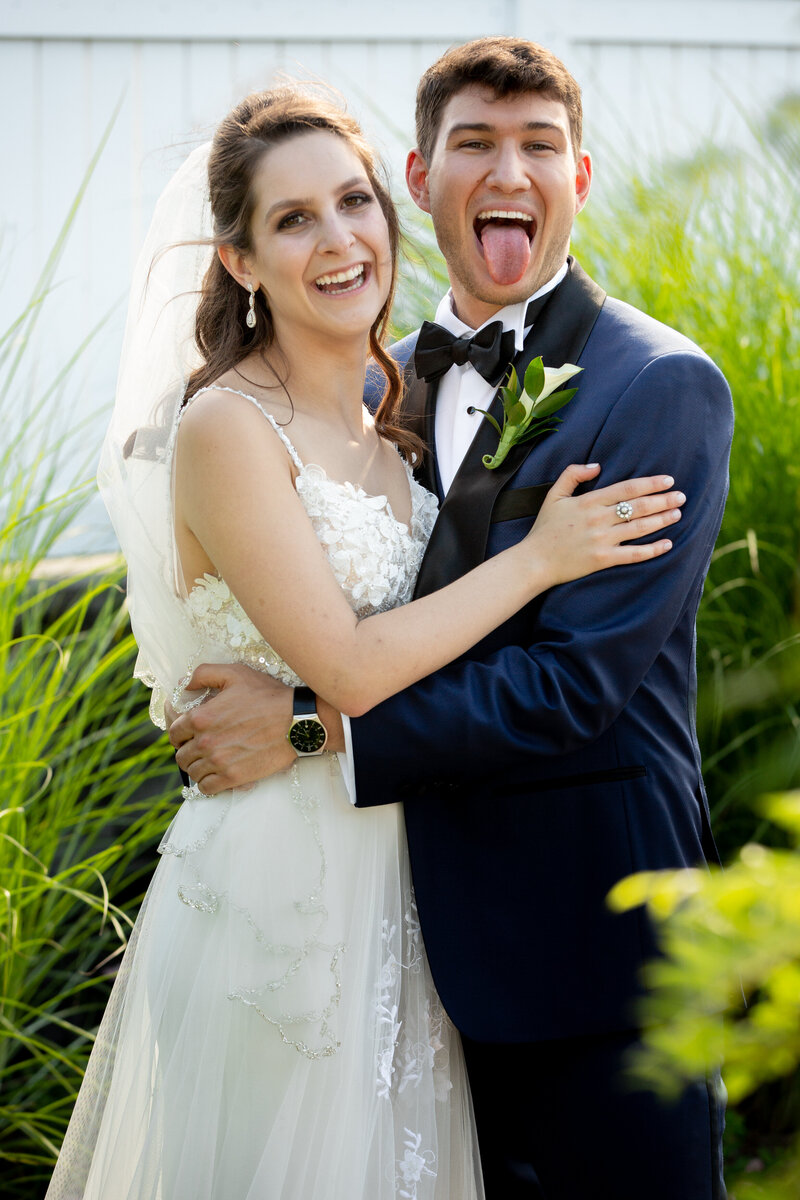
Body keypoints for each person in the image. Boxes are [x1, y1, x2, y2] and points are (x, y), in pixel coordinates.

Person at [46, 85, 682, 1200]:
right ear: (238, 261)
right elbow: (344, 660)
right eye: (293, 220)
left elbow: (548, 681)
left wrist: (298, 725)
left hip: (414, 887)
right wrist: (535, 557)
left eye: (352, 203)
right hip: (284, 898)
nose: (339, 240)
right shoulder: (225, 426)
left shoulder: (395, 410)